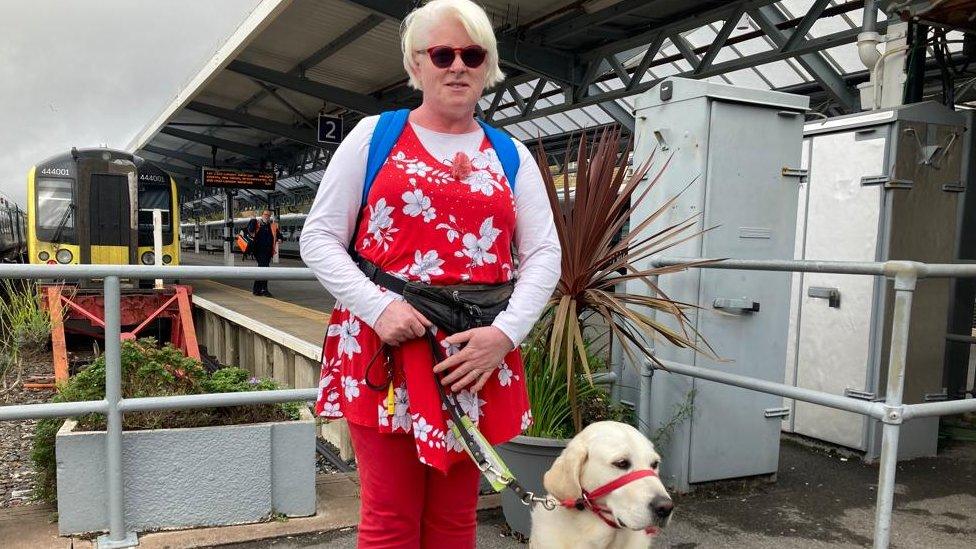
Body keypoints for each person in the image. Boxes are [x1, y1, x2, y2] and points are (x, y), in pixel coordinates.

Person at [300, 1, 561, 547]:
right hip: (387, 351)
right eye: (442, 53)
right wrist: (379, 308)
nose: (457, 66)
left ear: (489, 66)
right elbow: (319, 237)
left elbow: (544, 256)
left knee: (454, 517)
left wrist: (504, 335)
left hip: (475, 358)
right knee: (390, 517)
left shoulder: (510, 154)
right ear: (416, 64)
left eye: (473, 54)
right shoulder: (375, 137)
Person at [246, 210, 281, 297]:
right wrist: (253, 220)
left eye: (269, 215)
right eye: (265, 214)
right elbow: (250, 230)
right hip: (259, 251)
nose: (267, 216)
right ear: (262, 215)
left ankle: (257, 289)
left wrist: (280, 238)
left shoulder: (272, 226)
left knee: (262, 269)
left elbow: (278, 234)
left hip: (268, 251)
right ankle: (264, 289)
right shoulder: (257, 223)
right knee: (264, 269)